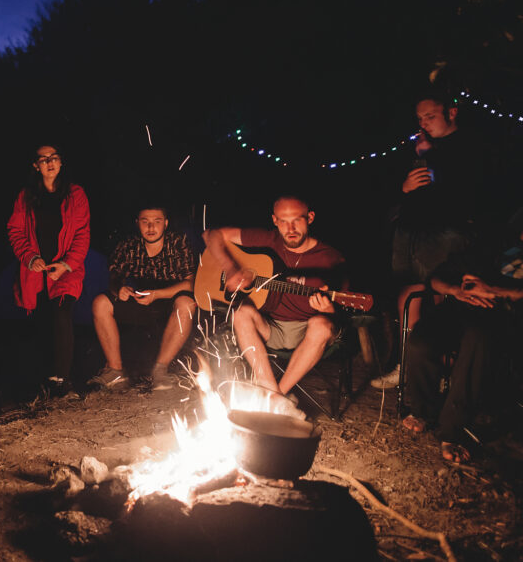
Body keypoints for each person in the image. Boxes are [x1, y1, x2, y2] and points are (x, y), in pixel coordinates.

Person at [375, 92, 491, 388]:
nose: (424, 123)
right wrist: (404, 187)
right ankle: (407, 366)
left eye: (430, 116)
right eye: (420, 118)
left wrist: (429, 155)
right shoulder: (419, 146)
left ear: (451, 113)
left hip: (444, 234)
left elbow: (462, 195)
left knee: (435, 298)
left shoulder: (469, 144)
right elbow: (397, 187)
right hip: (411, 231)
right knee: (406, 293)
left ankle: (433, 371)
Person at [401, 214, 523, 463]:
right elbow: (436, 277)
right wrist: (456, 291)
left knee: (478, 340)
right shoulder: (493, 246)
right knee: (421, 341)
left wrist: (493, 290)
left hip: (502, 319)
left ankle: (451, 432)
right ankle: (422, 411)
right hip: (460, 309)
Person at [202, 196, 347, 395]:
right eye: (284, 221)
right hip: (270, 326)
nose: (291, 228)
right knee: (241, 313)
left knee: (321, 325)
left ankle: (276, 395)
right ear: (274, 221)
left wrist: (330, 310)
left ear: (310, 218)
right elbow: (211, 235)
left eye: (297, 219)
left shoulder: (331, 258)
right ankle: (269, 388)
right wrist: (230, 268)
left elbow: (344, 314)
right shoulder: (269, 240)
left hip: (308, 332)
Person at [6, 144, 91, 397]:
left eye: (54, 158)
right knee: (43, 321)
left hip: (67, 269)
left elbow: (82, 233)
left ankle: (63, 380)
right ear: (36, 166)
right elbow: (15, 231)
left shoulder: (75, 194)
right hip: (37, 271)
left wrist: (66, 264)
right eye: (43, 159)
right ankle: (46, 380)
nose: (50, 162)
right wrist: (29, 257)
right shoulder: (26, 196)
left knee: (62, 312)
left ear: (61, 162)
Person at [89, 205, 198, 391]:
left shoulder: (178, 242)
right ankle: (115, 371)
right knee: (100, 303)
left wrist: (156, 295)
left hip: (169, 301)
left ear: (165, 223)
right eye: (145, 222)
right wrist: (120, 289)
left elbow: (190, 284)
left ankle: (160, 370)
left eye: (156, 222)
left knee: (187, 303)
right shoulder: (129, 245)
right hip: (141, 300)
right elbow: (114, 277)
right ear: (137, 223)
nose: (151, 228)